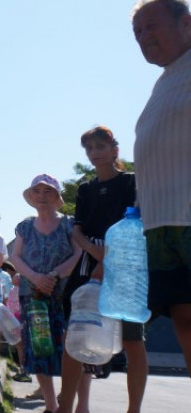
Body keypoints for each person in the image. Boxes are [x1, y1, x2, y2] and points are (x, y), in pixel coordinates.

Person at [56, 126, 148, 413]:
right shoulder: (86, 188)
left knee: (132, 339)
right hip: (88, 264)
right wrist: (95, 253)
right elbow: (77, 230)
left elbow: (135, 224)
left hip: (124, 265)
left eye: (99, 147)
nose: (94, 153)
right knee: (74, 335)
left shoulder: (131, 182)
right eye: (89, 149)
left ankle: (134, 409)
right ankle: (65, 407)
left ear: (114, 150)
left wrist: (109, 258)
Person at [131, 0, 191, 375]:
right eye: (136, 32)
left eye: (151, 25)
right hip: (161, 225)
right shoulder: (164, 82)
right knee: (184, 319)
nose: (143, 37)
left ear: (186, 23)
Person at [10, 174, 83, 413]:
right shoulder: (24, 226)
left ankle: (76, 404)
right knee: (39, 348)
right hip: (33, 297)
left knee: (70, 349)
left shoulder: (68, 224)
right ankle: (51, 405)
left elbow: (78, 254)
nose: (42, 196)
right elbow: (15, 257)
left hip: (64, 297)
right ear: (31, 196)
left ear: (57, 196)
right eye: (37, 192)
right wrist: (35, 277)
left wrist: (53, 275)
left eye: (48, 191)